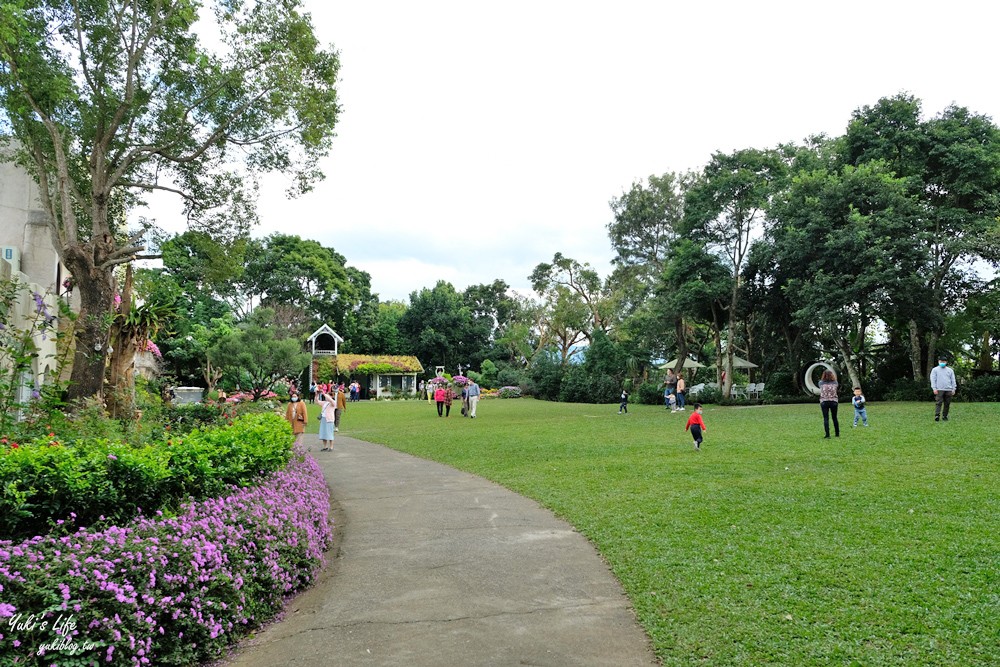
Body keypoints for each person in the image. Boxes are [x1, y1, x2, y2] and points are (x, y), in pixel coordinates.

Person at [930, 355, 957, 422]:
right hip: (939, 389)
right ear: (938, 361)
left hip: (948, 389)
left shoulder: (950, 370)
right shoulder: (935, 370)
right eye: (941, 361)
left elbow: (953, 380)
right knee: (939, 402)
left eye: (944, 361)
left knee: (947, 403)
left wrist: (953, 389)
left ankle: (945, 416)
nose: (942, 362)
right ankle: (937, 415)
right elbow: (933, 379)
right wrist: (934, 388)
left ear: (946, 362)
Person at [818, 369, 840, 439]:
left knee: (826, 418)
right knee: (834, 417)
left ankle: (827, 434)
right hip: (834, 401)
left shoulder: (821, 383)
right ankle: (837, 433)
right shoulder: (835, 382)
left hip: (824, 401)